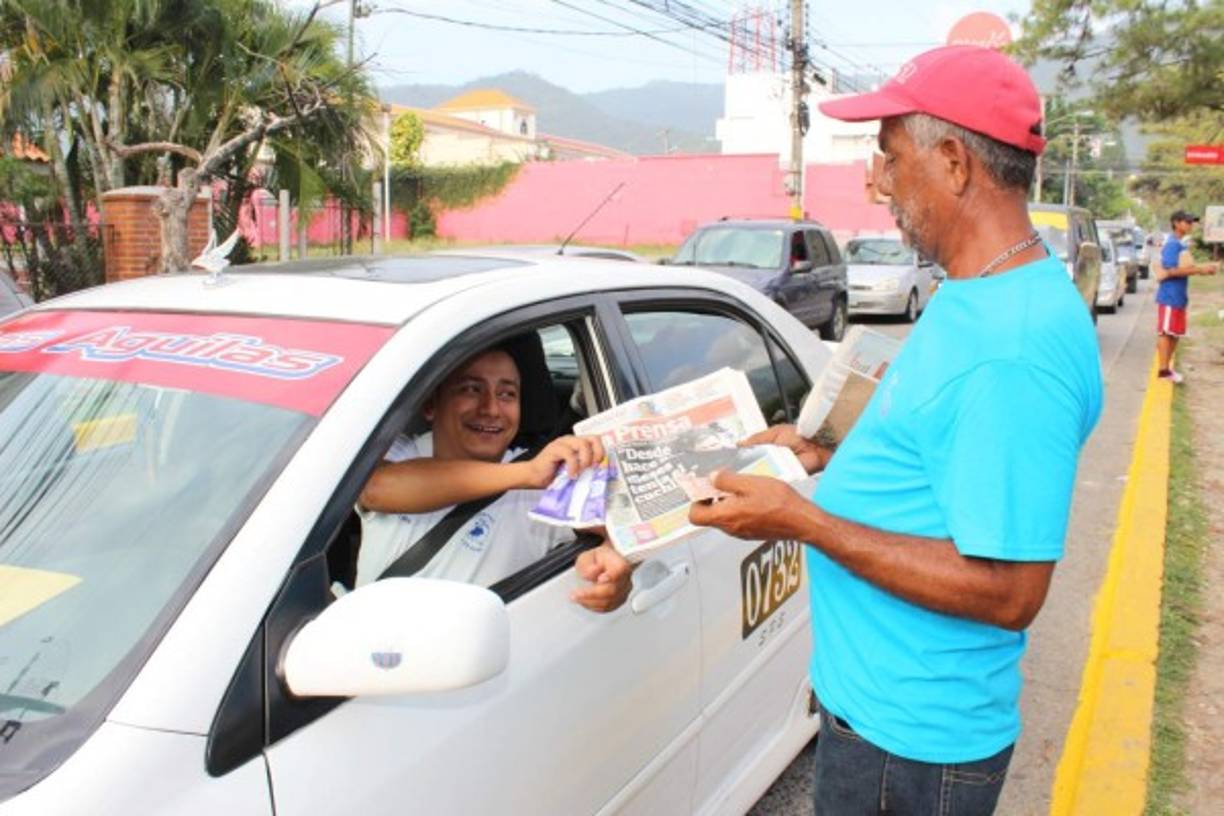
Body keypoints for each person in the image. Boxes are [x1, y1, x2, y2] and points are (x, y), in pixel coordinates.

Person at [690, 45, 1103, 815]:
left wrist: (803, 521)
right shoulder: (978, 289)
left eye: (888, 156)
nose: (876, 180)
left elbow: (1009, 591)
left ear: (952, 162)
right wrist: (823, 451)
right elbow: (943, 440)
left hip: (911, 746)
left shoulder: (1011, 349)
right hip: (881, 712)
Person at [357, 343, 633, 613]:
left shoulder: (548, 481)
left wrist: (618, 562)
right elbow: (375, 489)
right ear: (431, 405)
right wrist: (526, 473)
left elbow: (632, 520)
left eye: (507, 394)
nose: (491, 408)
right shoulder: (400, 452)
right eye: (471, 389)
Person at [1155, 210, 1218, 383]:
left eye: (1192, 222)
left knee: (1174, 333)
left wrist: (1201, 270)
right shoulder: (1172, 244)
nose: (1191, 225)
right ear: (1176, 223)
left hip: (1178, 296)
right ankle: (1163, 370)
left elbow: (1182, 268)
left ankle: (1167, 369)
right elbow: (1171, 270)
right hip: (1169, 295)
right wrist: (1199, 270)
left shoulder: (1179, 244)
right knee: (1166, 332)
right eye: (1187, 222)